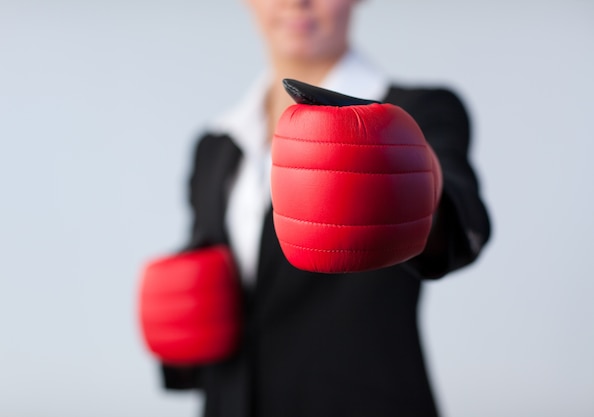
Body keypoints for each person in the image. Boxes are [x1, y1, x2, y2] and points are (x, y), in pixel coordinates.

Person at [139, 1, 491, 416]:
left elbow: (464, 223)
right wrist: (183, 327)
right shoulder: (215, 146)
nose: (296, 1)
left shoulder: (415, 114)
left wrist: (416, 188)